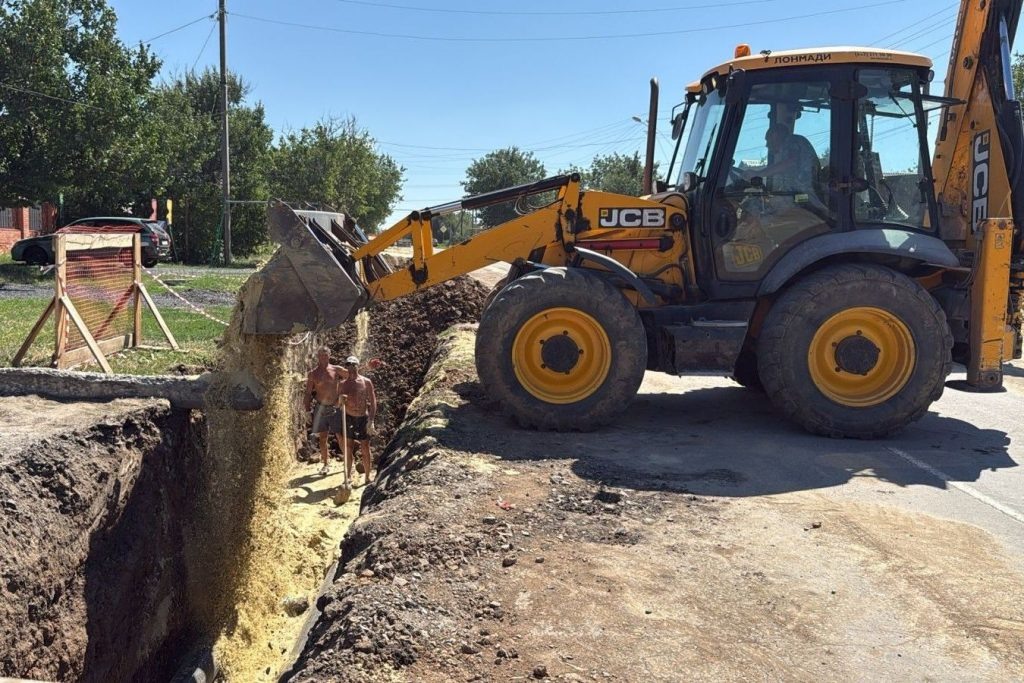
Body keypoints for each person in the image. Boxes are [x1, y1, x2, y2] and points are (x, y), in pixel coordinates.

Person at [336, 355, 377, 487]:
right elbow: (337, 404)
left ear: (358, 366)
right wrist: (340, 400)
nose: (351, 367)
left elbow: (373, 402)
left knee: (365, 447)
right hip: (349, 418)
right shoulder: (342, 384)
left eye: (354, 364)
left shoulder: (366, 382)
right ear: (346, 367)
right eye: (349, 365)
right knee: (348, 447)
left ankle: (367, 477)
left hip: (362, 418)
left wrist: (371, 420)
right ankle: (348, 477)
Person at [303, 346, 345, 475]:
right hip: (320, 408)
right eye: (321, 355)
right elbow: (308, 393)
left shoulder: (336, 369)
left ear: (329, 355)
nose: (323, 357)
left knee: (340, 436)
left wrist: (367, 367)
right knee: (322, 438)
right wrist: (307, 411)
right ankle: (326, 464)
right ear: (317, 357)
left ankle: (349, 462)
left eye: (325, 355)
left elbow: (353, 374)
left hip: (335, 407)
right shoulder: (313, 374)